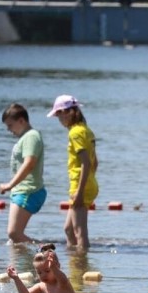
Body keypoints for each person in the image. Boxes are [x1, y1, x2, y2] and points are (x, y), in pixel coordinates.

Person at [48, 95, 99, 251]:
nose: (59, 120)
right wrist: (89, 181)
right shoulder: (86, 130)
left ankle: (82, 270)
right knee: (69, 230)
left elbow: (86, 162)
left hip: (80, 185)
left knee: (79, 232)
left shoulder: (75, 133)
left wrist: (80, 191)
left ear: (68, 112)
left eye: (59, 115)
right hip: (87, 182)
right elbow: (95, 162)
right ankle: (74, 264)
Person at [0, 103, 46, 244]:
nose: (8, 130)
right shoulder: (26, 137)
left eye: (10, 125)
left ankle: (46, 251)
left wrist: (9, 185)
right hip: (21, 191)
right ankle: (18, 265)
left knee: (14, 233)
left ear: (21, 120)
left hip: (28, 191)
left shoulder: (31, 136)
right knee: (13, 242)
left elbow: (29, 163)